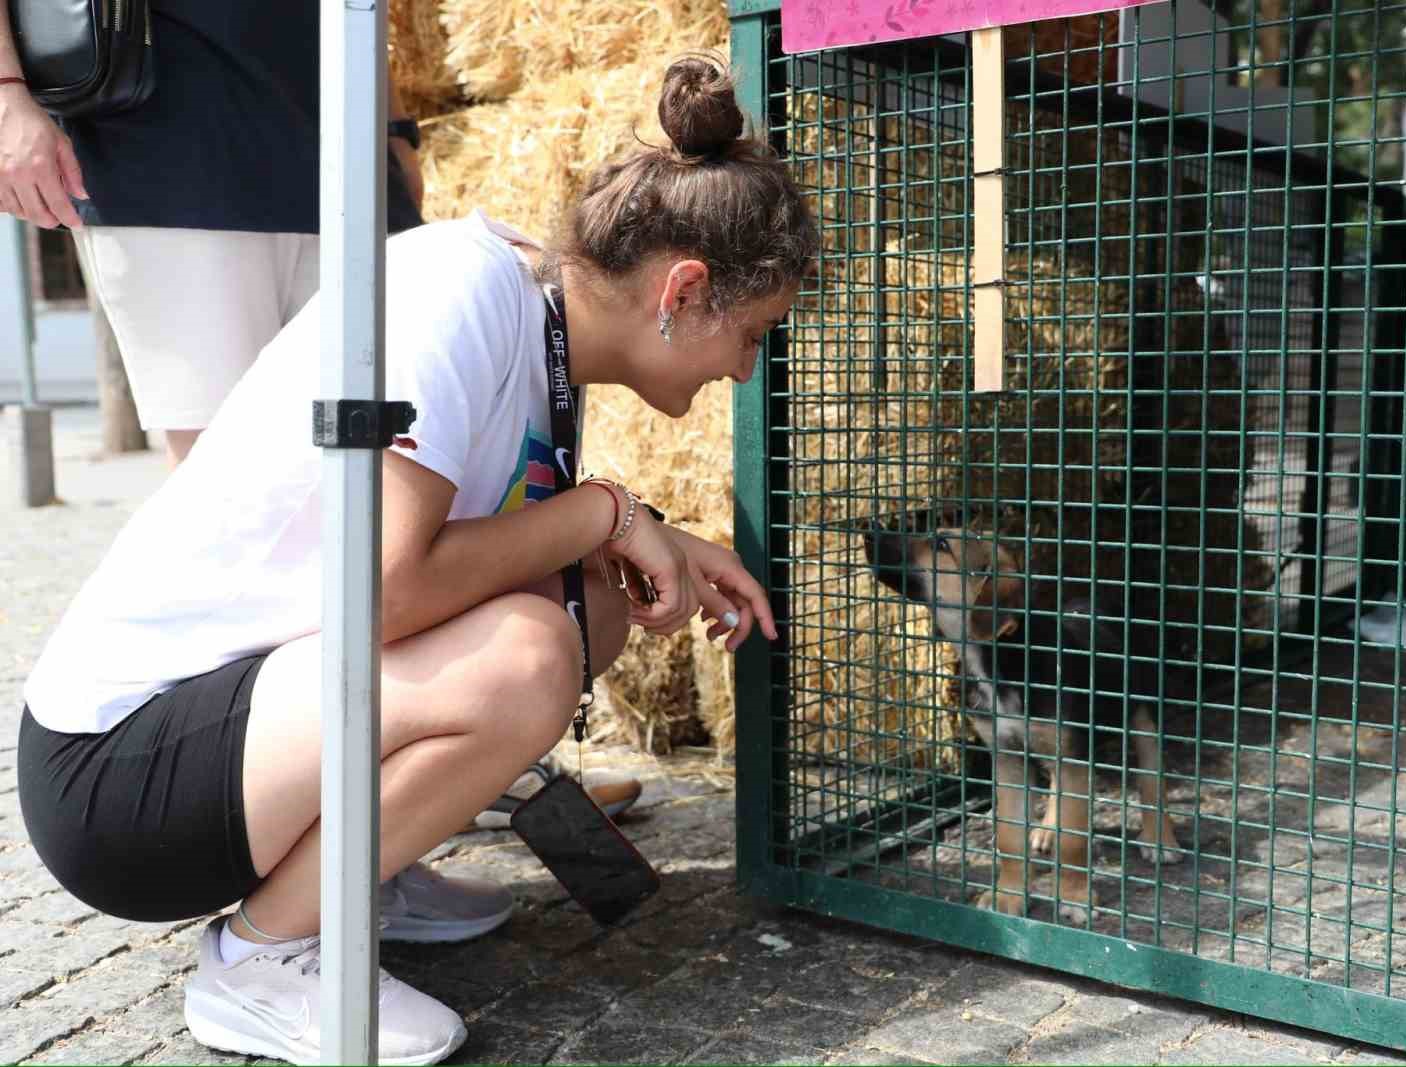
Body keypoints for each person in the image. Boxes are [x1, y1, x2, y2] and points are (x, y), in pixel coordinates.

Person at [16, 54, 818, 1065]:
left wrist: (635, 529)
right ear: (684, 287)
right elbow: (387, 593)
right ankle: (262, 959)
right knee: (530, 651)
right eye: (749, 334)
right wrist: (606, 510)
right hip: (114, 775)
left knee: (592, 606)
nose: (742, 367)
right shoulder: (462, 291)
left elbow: (498, 556)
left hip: (232, 725)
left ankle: (362, 872)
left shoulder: (534, 320)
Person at [0, 1, 641, 819]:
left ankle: (425, 774)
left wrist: (396, 125)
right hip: (166, 132)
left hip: (331, 133)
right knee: (253, 534)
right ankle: (312, 840)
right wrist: (5, 90)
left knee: (418, 501)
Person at [0, 1, 424, 469]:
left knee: (385, 465)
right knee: (228, 476)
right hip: (166, 149)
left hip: (348, 148)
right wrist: (7, 97)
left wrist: (394, 125)